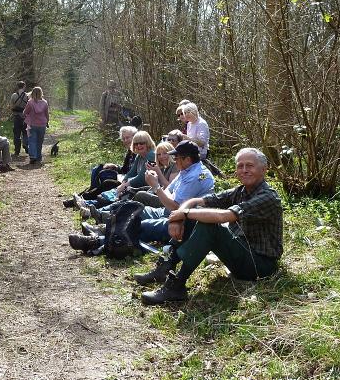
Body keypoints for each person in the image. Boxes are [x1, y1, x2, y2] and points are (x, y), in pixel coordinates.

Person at [140, 147, 283, 305]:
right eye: (240, 166)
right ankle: (165, 266)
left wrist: (184, 214)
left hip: (260, 265)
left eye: (249, 166)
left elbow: (224, 216)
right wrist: (179, 217)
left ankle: (177, 285)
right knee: (195, 214)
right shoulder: (240, 191)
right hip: (241, 252)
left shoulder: (268, 197)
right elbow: (195, 201)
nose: (244, 170)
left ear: (263, 169)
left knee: (209, 225)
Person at [69, 140, 214, 253]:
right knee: (131, 210)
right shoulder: (186, 170)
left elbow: (174, 206)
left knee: (140, 225)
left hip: (183, 222)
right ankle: (103, 227)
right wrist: (158, 186)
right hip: (168, 212)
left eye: (177, 158)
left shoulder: (197, 176)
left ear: (187, 159)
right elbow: (169, 191)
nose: (174, 161)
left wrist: (156, 186)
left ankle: (95, 241)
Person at [24, 86, 49, 165]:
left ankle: (33, 156)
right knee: (39, 141)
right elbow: (46, 114)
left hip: (32, 124)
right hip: (42, 124)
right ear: (41, 93)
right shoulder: (45, 103)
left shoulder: (30, 102)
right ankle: (38, 157)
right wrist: (47, 121)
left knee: (32, 141)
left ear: (32, 93)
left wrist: (26, 115)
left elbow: (25, 112)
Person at [10, 81, 29, 157]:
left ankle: (17, 151)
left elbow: (11, 107)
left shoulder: (14, 95)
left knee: (16, 134)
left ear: (17, 87)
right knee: (25, 132)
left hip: (16, 117)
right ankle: (25, 144)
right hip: (25, 117)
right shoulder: (27, 96)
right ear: (24, 86)